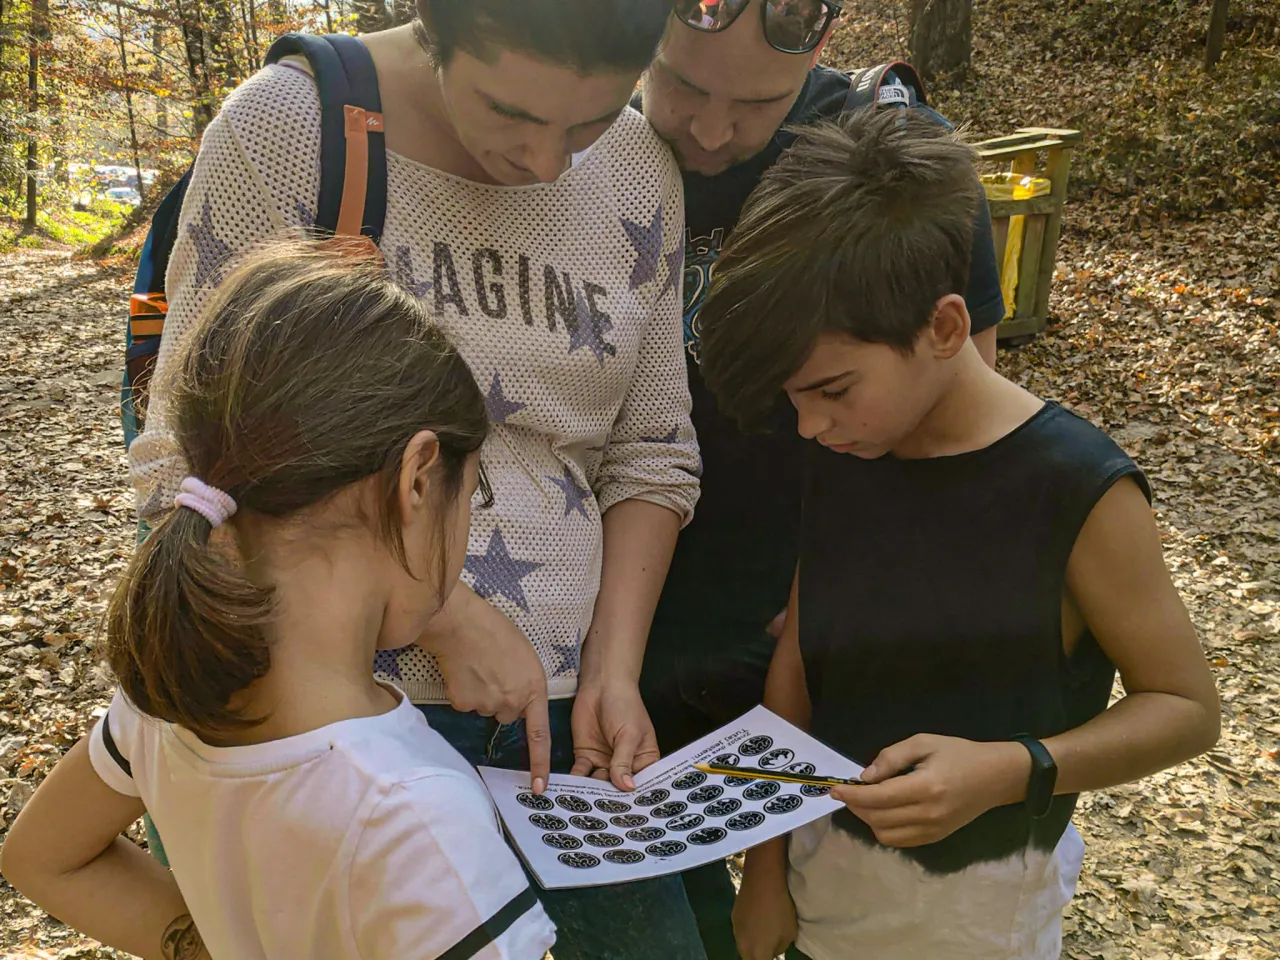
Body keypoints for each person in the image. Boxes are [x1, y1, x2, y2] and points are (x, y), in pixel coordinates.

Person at [126, 2, 708, 956]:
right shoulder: (293, 128)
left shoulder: (641, 168)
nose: (547, 162)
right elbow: (182, 455)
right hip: (334, 721)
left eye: (590, 123)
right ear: (434, 28)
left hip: (566, 737)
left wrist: (612, 670)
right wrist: (447, 614)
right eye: (509, 112)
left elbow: (650, 449)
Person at [694, 109, 1221, 960]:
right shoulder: (845, 450)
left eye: (831, 389)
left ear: (943, 329)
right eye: (794, 399)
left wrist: (1011, 769)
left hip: (981, 920)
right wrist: (762, 874)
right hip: (813, 887)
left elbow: (1188, 711)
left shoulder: (1077, 489)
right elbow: (797, 659)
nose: (808, 426)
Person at [1, 244, 557, 960]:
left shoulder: (169, 701)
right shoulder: (415, 817)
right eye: (469, 493)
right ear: (419, 478)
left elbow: (41, 857)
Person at [635, 2, 1005, 952]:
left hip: (823, 621)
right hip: (633, 626)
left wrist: (841, 587)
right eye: (679, 84)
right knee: (671, 917)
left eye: (758, 100)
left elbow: (964, 423)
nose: (713, 131)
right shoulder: (577, 139)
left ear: (822, 46)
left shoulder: (894, 160)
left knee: (834, 906)